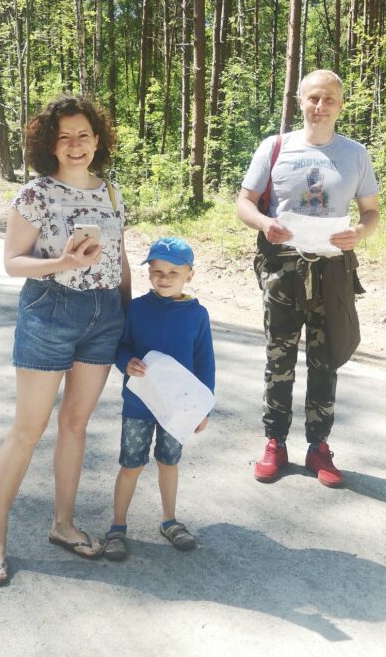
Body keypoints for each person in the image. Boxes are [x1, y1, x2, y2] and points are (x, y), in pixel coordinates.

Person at [0, 96, 131, 587]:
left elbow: (121, 257)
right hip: (50, 310)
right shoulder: (35, 195)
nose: (75, 144)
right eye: (64, 136)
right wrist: (62, 263)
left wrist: (130, 317)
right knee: (28, 427)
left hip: (105, 314)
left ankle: (63, 525)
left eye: (83, 134)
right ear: (50, 143)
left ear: (98, 138)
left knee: (76, 424)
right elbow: (13, 262)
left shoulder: (111, 192)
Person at [235, 70, 379, 488]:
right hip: (283, 269)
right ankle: (274, 443)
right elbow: (243, 202)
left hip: (333, 271)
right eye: (313, 98)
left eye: (329, 99)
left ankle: (319, 447)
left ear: (340, 104)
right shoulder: (275, 147)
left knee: (325, 360)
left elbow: (370, 211)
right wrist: (264, 223)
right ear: (300, 101)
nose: (321, 106)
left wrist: (361, 234)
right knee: (278, 359)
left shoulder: (355, 154)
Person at [103, 237, 215, 561]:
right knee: (131, 464)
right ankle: (117, 527)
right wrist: (127, 362)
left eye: (173, 272)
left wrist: (203, 407)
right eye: (156, 271)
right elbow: (121, 346)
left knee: (169, 462)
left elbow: (205, 363)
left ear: (189, 275)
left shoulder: (198, 316)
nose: (164, 278)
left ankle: (169, 521)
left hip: (178, 409)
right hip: (139, 404)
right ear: (148, 272)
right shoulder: (136, 309)